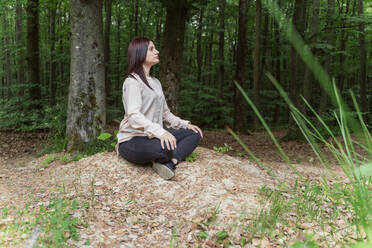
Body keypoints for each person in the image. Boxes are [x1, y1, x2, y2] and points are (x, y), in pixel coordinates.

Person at [117, 37, 203, 180]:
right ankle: (166, 158)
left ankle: (171, 163)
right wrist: (160, 132)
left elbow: (166, 114)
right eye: (151, 49)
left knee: (194, 133)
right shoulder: (132, 82)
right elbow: (133, 115)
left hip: (153, 137)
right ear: (140, 53)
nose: (156, 51)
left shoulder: (156, 82)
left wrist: (185, 124)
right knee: (166, 147)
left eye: (155, 48)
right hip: (132, 140)